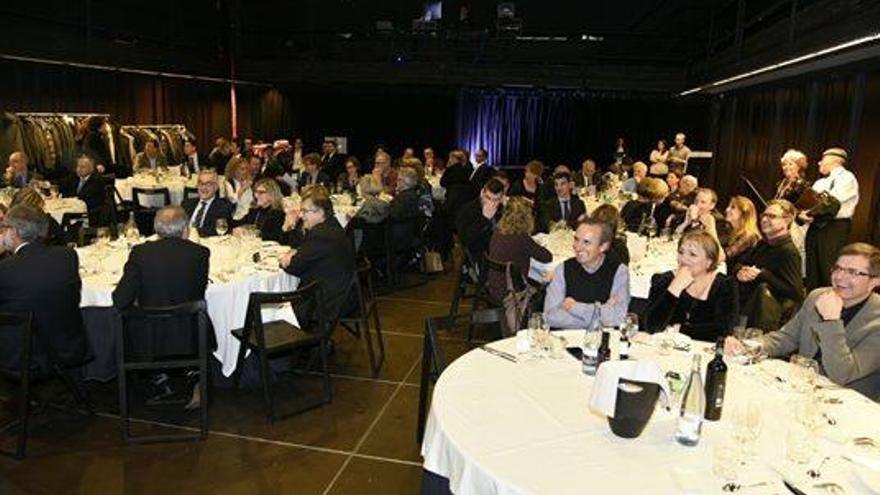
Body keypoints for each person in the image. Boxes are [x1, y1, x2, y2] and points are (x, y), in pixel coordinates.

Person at [726, 243, 880, 401]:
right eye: (838, 268)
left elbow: (843, 374)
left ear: (874, 281)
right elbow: (787, 337)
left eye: (852, 272)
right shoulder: (818, 296)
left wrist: (831, 322)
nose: (840, 277)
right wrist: (748, 346)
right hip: (801, 388)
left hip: (849, 404)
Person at [112, 206, 209, 407]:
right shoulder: (200, 253)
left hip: (148, 336)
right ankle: (193, 375)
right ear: (186, 230)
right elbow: (196, 292)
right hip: (190, 333)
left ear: (157, 230)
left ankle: (159, 379)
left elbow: (120, 299)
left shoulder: (140, 253)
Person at [0, 205, 90, 372]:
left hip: (20, 357)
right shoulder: (67, 256)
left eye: (3, 229)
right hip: (66, 348)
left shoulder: (6, 269)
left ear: (14, 232)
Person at [645, 230, 739, 342]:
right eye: (681, 252)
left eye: (693, 254)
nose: (683, 259)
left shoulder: (725, 285)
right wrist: (674, 288)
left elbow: (723, 331)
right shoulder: (663, 280)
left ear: (709, 261)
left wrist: (679, 329)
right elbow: (651, 326)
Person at [280, 192, 356, 322]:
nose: (301, 215)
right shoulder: (333, 226)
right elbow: (306, 253)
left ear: (320, 212)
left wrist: (285, 260)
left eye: (305, 211)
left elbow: (294, 267)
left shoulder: (320, 235)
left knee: (269, 310)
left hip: (328, 302)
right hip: (344, 293)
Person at [543, 218, 631, 329]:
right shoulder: (563, 269)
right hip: (567, 340)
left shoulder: (618, 271)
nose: (577, 247)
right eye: (576, 239)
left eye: (586, 242)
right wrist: (600, 314)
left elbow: (618, 317)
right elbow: (550, 316)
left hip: (603, 341)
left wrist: (575, 307)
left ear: (603, 246)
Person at [734, 200, 804, 330]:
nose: (764, 219)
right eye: (763, 215)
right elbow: (739, 264)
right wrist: (741, 272)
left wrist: (763, 274)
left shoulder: (788, 252)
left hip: (763, 320)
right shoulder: (763, 244)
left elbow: (796, 292)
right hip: (746, 308)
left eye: (771, 216)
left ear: (787, 220)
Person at [802, 148, 859, 291]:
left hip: (833, 229)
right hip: (815, 227)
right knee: (812, 271)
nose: (819, 163)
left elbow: (832, 204)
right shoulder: (820, 182)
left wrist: (810, 213)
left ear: (833, 159)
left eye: (822, 159)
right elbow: (808, 202)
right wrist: (801, 214)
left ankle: (830, 305)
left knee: (828, 269)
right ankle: (812, 303)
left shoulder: (847, 177)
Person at [486, 197, 552, 301]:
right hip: (511, 292)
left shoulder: (498, 231)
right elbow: (547, 257)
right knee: (547, 282)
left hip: (494, 285)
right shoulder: (521, 238)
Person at [456, 178, 505, 263]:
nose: (491, 203)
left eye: (496, 200)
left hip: (500, 251)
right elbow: (466, 240)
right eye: (488, 198)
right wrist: (484, 219)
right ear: (482, 193)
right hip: (479, 257)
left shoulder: (502, 210)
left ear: (501, 198)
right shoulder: (468, 210)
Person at [182, 169, 234, 237]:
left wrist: (191, 232)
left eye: (208, 184)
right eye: (201, 183)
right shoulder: (186, 203)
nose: (204, 187)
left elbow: (216, 230)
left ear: (216, 187)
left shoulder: (223, 206)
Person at [232, 178, 286, 242]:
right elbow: (237, 223)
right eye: (256, 192)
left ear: (272, 194)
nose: (257, 195)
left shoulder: (278, 214)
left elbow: (272, 237)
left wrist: (248, 232)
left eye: (261, 192)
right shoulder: (255, 211)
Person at [722, 196, 761, 266]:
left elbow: (723, 256)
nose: (727, 210)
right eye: (728, 206)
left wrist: (710, 227)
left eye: (733, 207)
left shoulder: (750, 236)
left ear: (744, 213)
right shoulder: (728, 230)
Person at [223, 156, 254, 220]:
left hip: (249, 215)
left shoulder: (248, 182)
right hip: (236, 217)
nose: (245, 172)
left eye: (246, 169)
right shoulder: (228, 183)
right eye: (242, 169)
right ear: (234, 170)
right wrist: (243, 189)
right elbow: (232, 200)